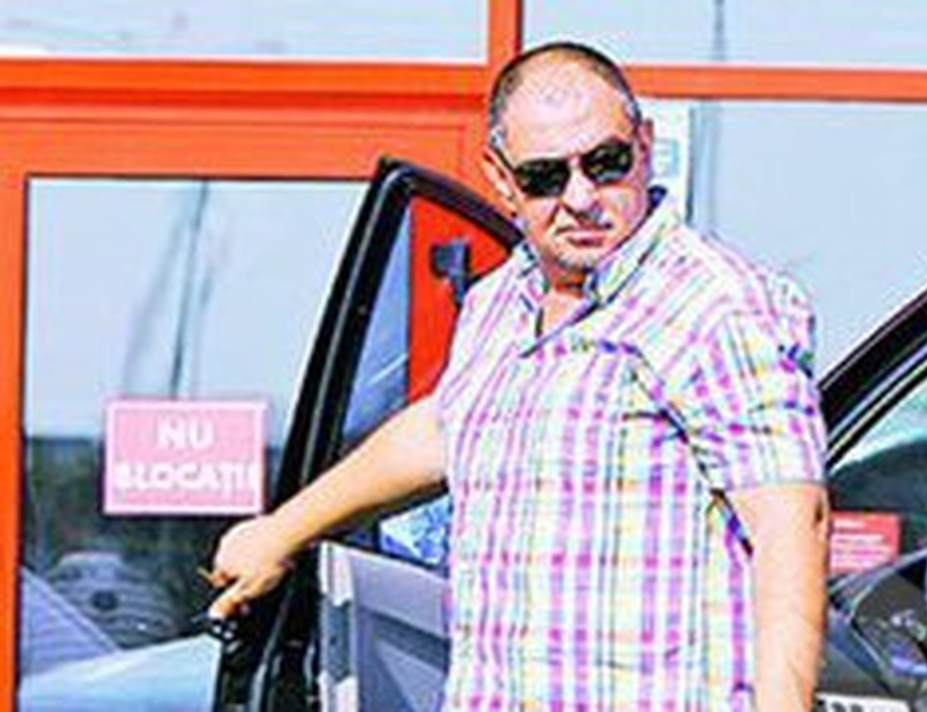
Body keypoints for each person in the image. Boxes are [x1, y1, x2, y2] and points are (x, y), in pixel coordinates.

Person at [208, 40, 830, 711]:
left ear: (645, 147)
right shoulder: (497, 303)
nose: (582, 198)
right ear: (502, 181)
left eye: (606, 162)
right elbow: (445, 430)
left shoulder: (714, 306)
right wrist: (282, 532)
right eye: (545, 177)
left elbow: (792, 525)